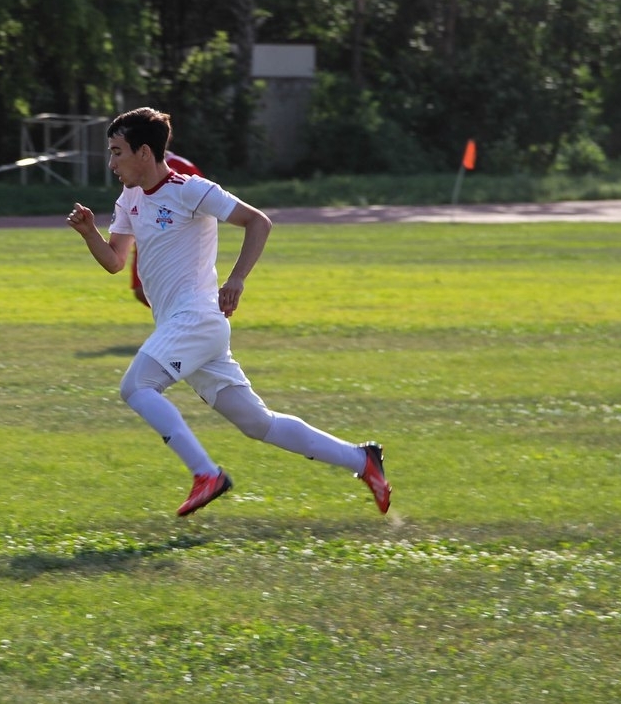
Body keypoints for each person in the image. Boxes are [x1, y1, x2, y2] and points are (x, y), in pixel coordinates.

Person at [66, 107, 391, 517]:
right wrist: (89, 233)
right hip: (186, 328)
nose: (111, 164)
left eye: (117, 152)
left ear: (144, 152)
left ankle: (206, 474)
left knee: (137, 387)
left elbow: (258, 222)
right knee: (258, 424)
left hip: (196, 319)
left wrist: (236, 279)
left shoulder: (190, 189)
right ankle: (362, 460)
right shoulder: (130, 198)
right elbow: (115, 261)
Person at [131, 149, 201, 307]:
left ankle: (180, 316)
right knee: (141, 290)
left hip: (175, 242)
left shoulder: (182, 166)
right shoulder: (133, 171)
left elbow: (204, 202)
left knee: (177, 293)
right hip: (146, 239)